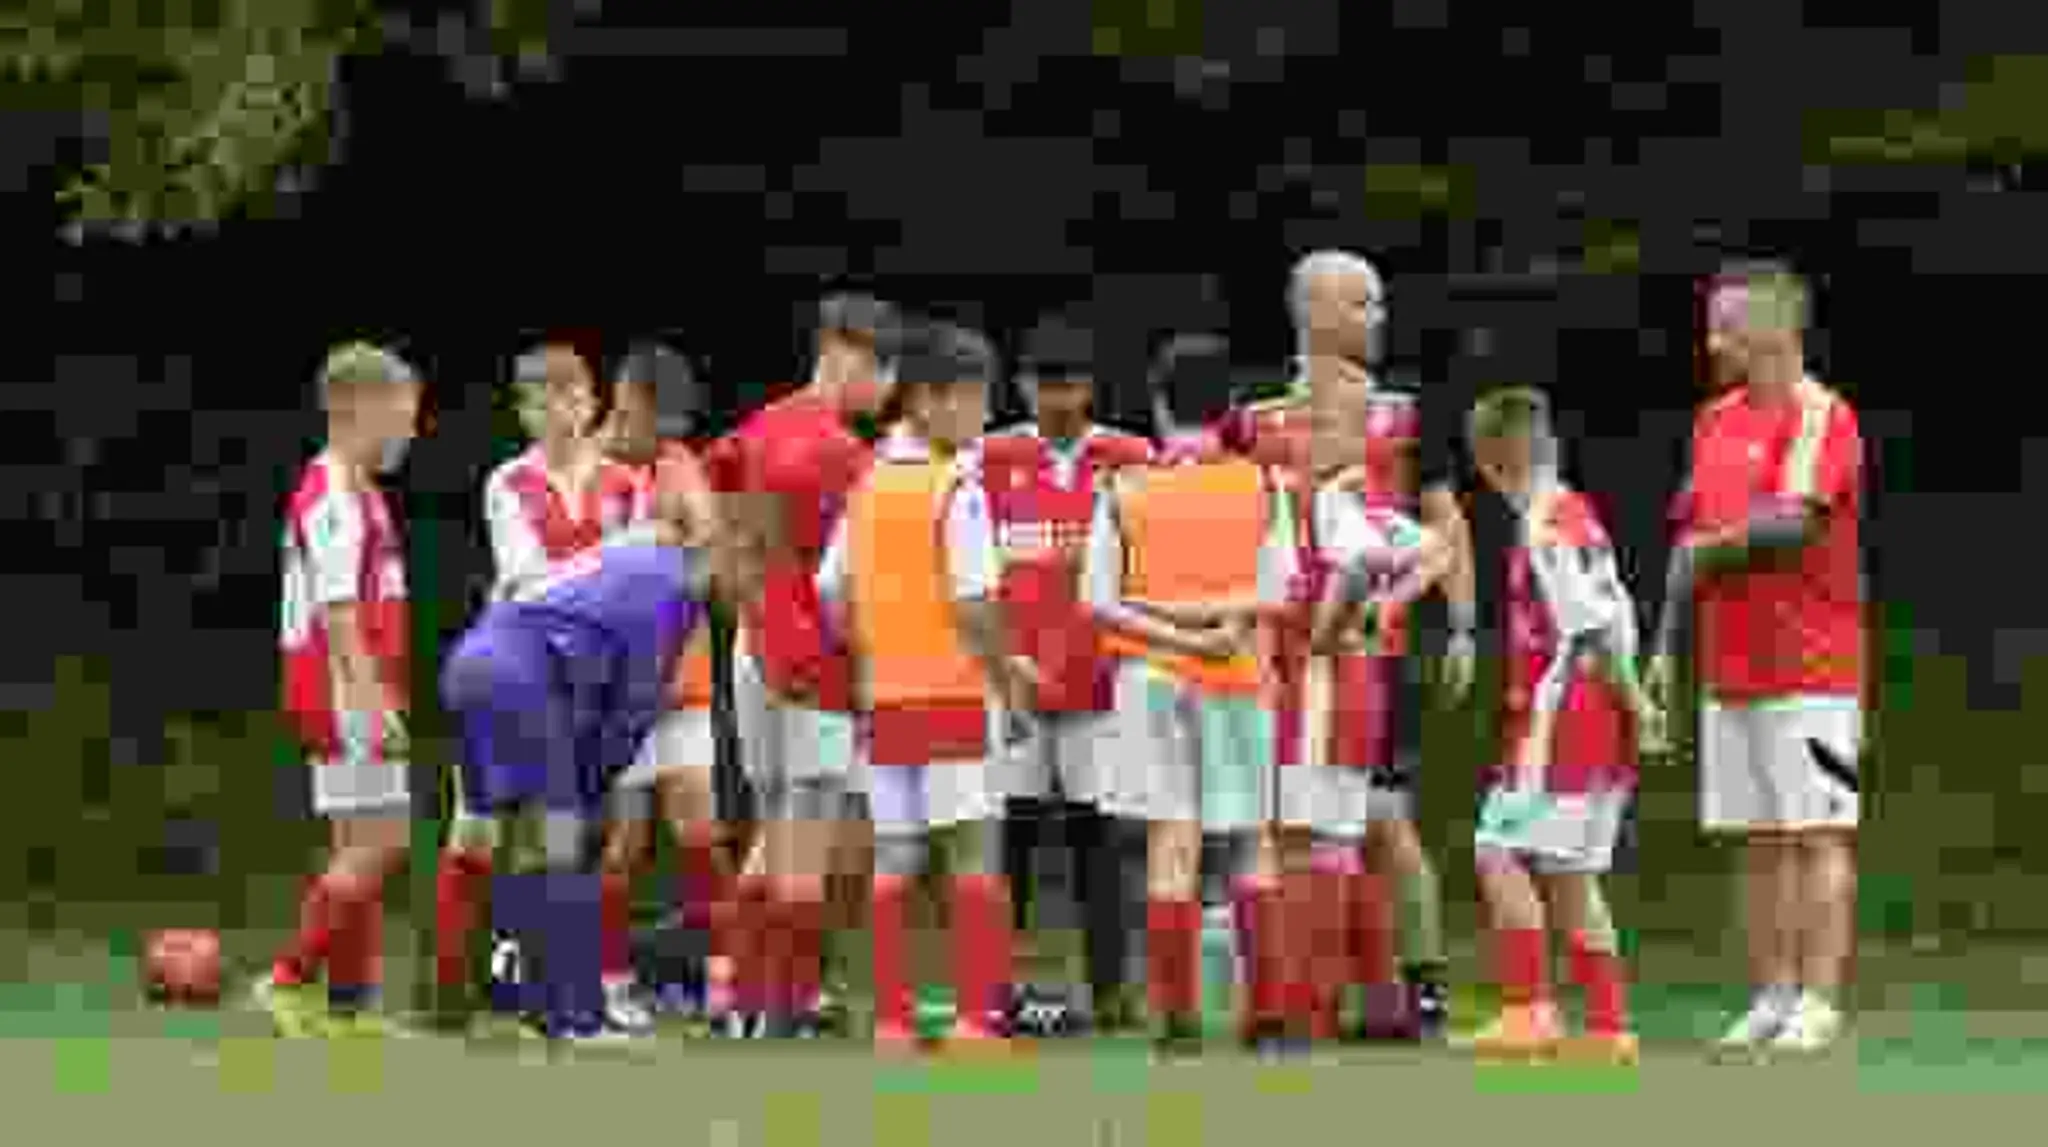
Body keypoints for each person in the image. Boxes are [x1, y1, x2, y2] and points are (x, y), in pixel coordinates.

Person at [1238, 251, 1471, 1041]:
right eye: (1363, 303)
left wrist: (1458, 623)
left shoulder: (1404, 414)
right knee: (1319, 824)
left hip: (1370, 652)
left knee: (1376, 821)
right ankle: (1344, 999)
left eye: (1378, 302)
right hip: (1289, 651)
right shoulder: (1260, 421)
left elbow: (1443, 526)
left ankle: (1406, 991)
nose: (1379, 317)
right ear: (1313, 312)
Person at [1649, 261, 1864, 1055]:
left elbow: (1793, 522)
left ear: (1777, 328)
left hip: (1817, 666)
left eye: (1727, 323)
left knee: (1819, 830)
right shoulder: (1713, 420)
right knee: (1755, 837)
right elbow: (1685, 544)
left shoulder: (1822, 414)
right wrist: (1665, 645)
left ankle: (1819, 999)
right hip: (1729, 665)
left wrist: (1711, 549)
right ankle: (1772, 994)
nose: (1712, 338)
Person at [817, 321, 1032, 1053]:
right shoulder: (955, 487)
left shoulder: (869, 481)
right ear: (932, 400)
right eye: (974, 403)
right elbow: (975, 604)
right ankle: (975, 1020)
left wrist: (880, 648)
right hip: (953, 695)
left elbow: (835, 596)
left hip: (886, 700)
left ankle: (892, 1022)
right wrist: (1012, 681)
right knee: (972, 854)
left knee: (897, 858)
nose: (981, 419)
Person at [438, 479, 714, 1045]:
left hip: (473, 664)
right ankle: (578, 1019)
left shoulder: (620, 552)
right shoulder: (669, 580)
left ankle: (536, 1009)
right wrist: (593, 782)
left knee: (535, 843)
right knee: (564, 844)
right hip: (519, 679)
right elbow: (635, 703)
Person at [1086, 333, 1300, 1058]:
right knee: (1249, 843)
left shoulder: (1122, 487)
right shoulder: (1263, 485)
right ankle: (1266, 1019)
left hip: (1149, 679)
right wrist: (1220, 630)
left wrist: (1174, 633)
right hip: (1236, 674)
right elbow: (1279, 589)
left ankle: (1177, 1021)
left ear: (1157, 403)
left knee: (1169, 842)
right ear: (1232, 405)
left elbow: (1099, 600)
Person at [427, 344, 640, 1032]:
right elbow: (523, 577)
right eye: (541, 400)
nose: (558, 411)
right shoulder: (507, 482)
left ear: (592, 399)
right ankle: (447, 992)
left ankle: (547, 998)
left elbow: (632, 582)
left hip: (581, 681)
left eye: (570, 395)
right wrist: (603, 575)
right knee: (478, 829)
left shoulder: (624, 484)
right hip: (510, 668)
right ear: (522, 412)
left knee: (562, 836)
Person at [1449, 387, 1664, 1063]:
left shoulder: (1542, 527)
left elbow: (1591, 626)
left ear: (1488, 462)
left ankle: (1530, 1010)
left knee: (1496, 847)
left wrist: (1637, 703)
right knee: (1570, 870)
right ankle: (1607, 1026)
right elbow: (1618, 612)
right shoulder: (1578, 511)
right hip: (1599, 711)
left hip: (1567, 710)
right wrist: (1634, 705)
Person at [721, 293, 898, 1037]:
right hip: (818, 655)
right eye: (885, 371)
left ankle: (738, 1002)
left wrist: (749, 606)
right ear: (850, 354)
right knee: (806, 834)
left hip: (753, 646)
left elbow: (715, 523)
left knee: (770, 826)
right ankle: (784, 1004)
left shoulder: (758, 427)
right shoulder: (845, 455)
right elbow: (855, 581)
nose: (886, 392)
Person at [980, 313, 1152, 1030]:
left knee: (1098, 842)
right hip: (1013, 685)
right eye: (1045, 383)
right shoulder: (987, 457)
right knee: (1007, 842)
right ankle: (993, 990)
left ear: (1090, 387)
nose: (1057, 398)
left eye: (1070, 383)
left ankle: (1113, 993)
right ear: (1022, 384)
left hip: (1098, 684)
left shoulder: (1131, 456)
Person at [255, 342, 422, 1038]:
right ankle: (287, 979)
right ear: (359, 408)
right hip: (343, 689)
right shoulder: (332, 494)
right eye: (404, 416)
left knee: (361, 841)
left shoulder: (360, 491)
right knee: (382, 841)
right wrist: (371, 695)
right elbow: (337, 608)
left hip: (352, 686)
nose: (410, 432)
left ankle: (346, 1005)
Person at [599, 341, 735, 1028]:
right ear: (628, 405)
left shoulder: (676, 465)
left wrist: (680, 589)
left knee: (700, 830)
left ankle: (722, 980)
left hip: (680, 683)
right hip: (609, 689)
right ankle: (612, 982)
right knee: (620, 840)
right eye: (657, 421)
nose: (669, 435)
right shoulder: (583, 470)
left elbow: (710, 541)